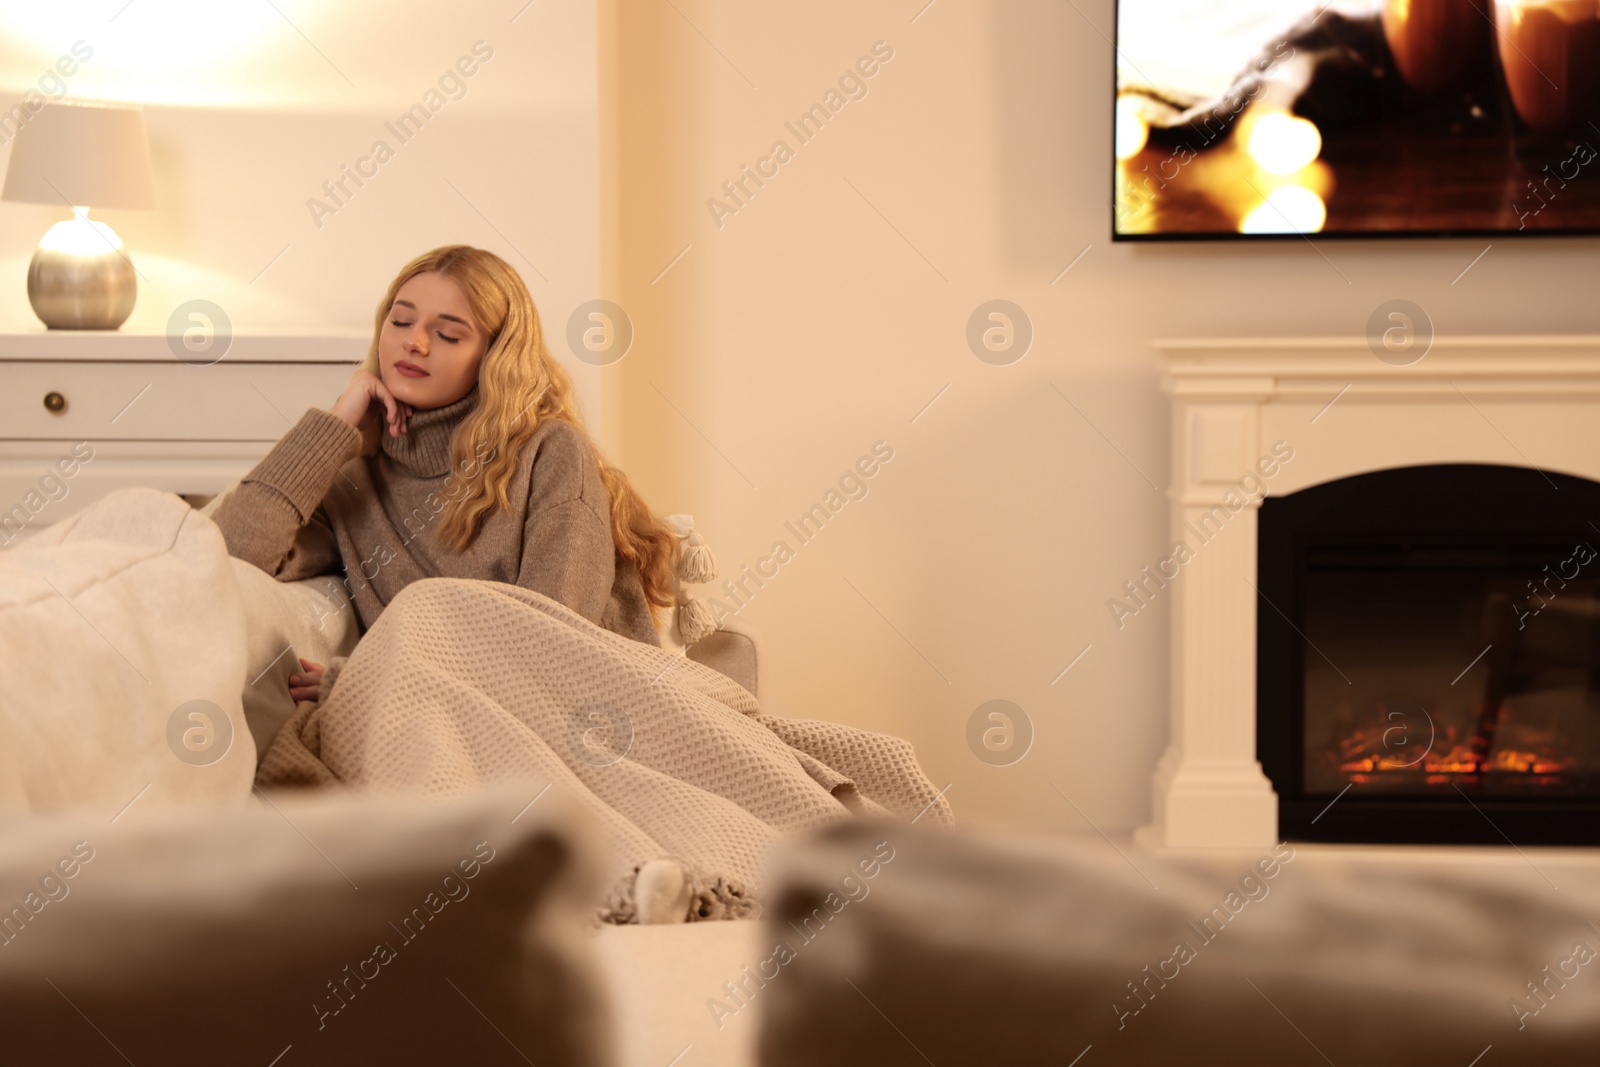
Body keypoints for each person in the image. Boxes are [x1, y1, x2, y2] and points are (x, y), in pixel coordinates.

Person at [211, 244, 676, 706]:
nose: (414, 342)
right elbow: (227, 555)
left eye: (449, 335)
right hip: (447, 713)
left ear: (494, 357)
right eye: (400, 321)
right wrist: (337, 423)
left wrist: (385, 679)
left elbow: (552, 637)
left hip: (586, 707)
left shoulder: (549, 451)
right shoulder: (356, 482)